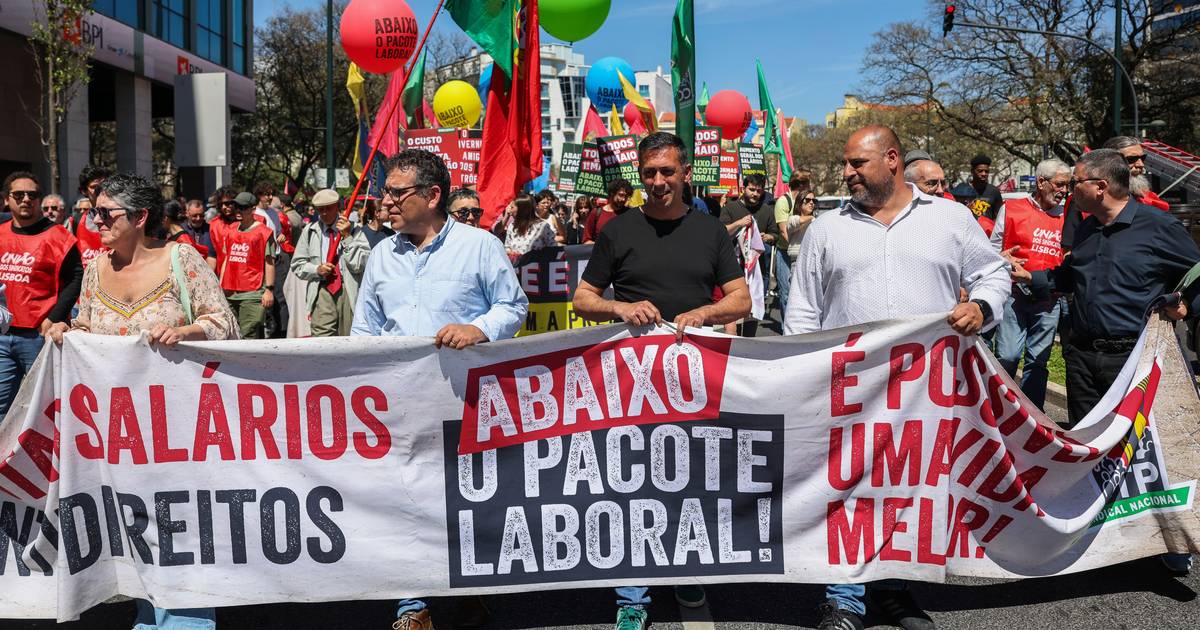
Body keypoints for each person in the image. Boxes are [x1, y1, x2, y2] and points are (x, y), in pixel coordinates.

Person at [785, 125, 1010, 630]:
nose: (845, 174)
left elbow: (993, 274)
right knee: (846, 489)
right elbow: (802, 310)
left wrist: (981, 304)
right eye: (845, 165)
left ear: (891, 160)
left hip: (923, 390)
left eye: (855, 164)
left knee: (907, 489)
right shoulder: (827, 228)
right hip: (847, 385)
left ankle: (893, 588)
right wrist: (803, 374)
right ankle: (842, 597)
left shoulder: (950, 219)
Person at [571, 132, 750, 630]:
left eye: (667, 172)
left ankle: (687, 571)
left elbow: (741, 301)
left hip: (695, 377)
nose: (658, 182)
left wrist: (703, 312)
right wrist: (620, 306)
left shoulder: (711, 232)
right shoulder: (618, 229)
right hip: (629, 379)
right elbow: (583, 299)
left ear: (685, 171)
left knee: (690, 481)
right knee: (630, 483)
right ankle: (632, 595)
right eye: (649, 173)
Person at [44, 172, 236, 630]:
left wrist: (185, 330)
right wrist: (66, 332)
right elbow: (87, 328)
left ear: (140, 217)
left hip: (179, 428)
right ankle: (148, 614)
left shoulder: (181, 260)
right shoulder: (95, 268)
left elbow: (224, 323)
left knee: (182, 525)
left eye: (105, 213)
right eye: (94, 212)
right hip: (117, 432)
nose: (95, 221)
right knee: (135, 525)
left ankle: (189, 618)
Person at [350, 149, 524, 630]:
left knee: (461, 501)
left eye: (396, 192)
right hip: (397, 400)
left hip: (464, 398)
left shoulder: (479, 246)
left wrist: (478, 328)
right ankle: (412, 606)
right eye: (386, 191)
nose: (386, 201)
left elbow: (513, 307)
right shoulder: (383, 253)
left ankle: (470, 588)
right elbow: (366, 326)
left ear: (432, 195)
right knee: (401, 500)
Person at [986, 159, 1070, 410]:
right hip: (1014, 296)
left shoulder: (1069, 215)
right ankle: (1001, 408)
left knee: (1038, 361)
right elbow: (991, 249)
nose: (1064, 191)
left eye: (1067, 185)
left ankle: (1033, 415)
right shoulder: (1011, 208)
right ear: (1041, 182)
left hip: (1049, 298)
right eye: (1059, 184)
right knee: (1008, 355)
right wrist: (999, 261)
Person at [0, 171, 83, 416]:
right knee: (2, 407)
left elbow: (76, 278)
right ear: (7, 199)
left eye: (32, 194)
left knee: (47, 407)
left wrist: (54, 317)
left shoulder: (59, 236)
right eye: (19, 194)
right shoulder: (1, 233)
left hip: (39, 335)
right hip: (2, 337)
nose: (26, 199)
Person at [1061, 136, 1169, 249]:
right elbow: (1069, 250)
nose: (1140, 164)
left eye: (1143, 158)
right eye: (1131, 159)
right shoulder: (1084, 199)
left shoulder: (1150, 200)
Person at [290, 189, 370, 337]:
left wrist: (347, 237)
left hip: (349, 290)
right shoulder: (310, 231)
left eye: (329, 208)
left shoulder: (354, 229)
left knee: (349, 339)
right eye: (321, 210)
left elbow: (362, 263)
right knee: (322, 340)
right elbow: (297, 264)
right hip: (322, 290)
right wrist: (316, 269)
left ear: (337, 206)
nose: (325, 213)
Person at [720, 173, 780, 333]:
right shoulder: (730, 208)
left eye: (758, 191)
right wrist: (739, 223)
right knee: (733, 311)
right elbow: (721, 232)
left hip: (756, 271)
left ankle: (748, 343)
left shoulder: (766, 210)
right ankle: (732, 345)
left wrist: (766, 237)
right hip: (732, 268)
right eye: (751, 189)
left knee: (752, 310)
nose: (755, 194)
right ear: (743, 188)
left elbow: (775, 234)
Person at [212, 191, 276, 339]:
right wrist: (221, 285)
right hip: (230, 293)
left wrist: (269, 290)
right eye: (237, 207)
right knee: (232, 335)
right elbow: (227, 259)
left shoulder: (263, 232)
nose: (238, 211)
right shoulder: (231, 230)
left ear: (253, 209)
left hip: (252, 292)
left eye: (243, 207)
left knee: (249, 334)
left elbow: (270, 262)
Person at [772, 170, 812, 311]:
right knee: (786, 292)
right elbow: (784, 231)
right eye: (808, 183)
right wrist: (795, 248)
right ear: (801, 185)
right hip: (785, 252)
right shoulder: (783, 202)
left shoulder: (808, 201)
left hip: (803, 253)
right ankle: (786, 329)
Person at [75, 164, 112, 267]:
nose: (100, 191)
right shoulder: (75, 222)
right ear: (84, 191)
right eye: (94, 187)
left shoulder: (122, 217)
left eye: (104, 185)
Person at [503, 193, 556, 259]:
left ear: (522, 209)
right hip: (515, 268)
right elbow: (507, 247)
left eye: (512, 207)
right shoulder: (512, 226)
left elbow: (553, 250)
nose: (509, 210)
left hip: (536, 268)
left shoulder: (543, 226)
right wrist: (511, 253)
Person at [164, 199, 215, 266]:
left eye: (201, 215)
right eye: (194, 216)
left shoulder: (210, 229)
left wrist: (208, 274)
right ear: (187, 214)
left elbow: (212, 256)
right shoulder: (180, 230)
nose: (198, 218)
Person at [583, 178, 633, 243]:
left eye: (626, 196)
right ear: (612, 193)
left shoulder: (630, 214)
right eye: (621, 195)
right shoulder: (596, 213)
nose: (623, 199)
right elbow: (586, 240)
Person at [785, 190, 817, 265]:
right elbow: (800, 221)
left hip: (812, 262)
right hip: (796, 262)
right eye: (808, 200)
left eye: (814, 200)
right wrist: (812, 217)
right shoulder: (792, 219)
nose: (811, 203)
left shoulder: (815, 221)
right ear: (800, 203)